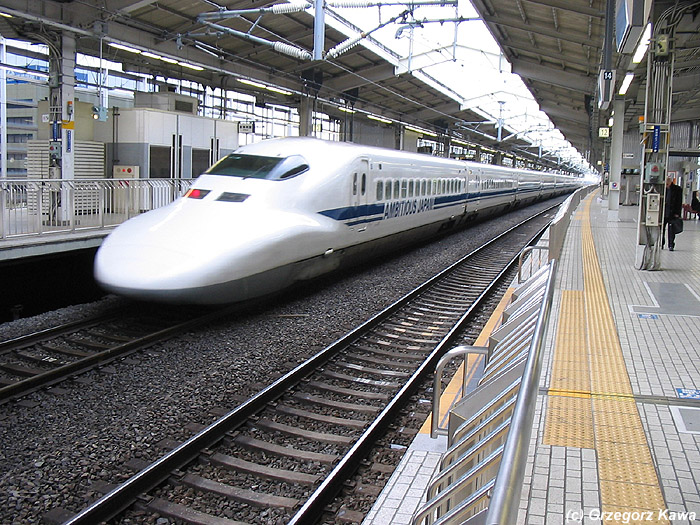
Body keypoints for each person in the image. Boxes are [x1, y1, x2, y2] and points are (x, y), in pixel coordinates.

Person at [663, 177, 683, 251]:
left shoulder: (677, 189)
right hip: (664, 213)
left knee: (671, 230)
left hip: (672, 212)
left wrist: (678, 213)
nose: (666, 185)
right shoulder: (663, 189)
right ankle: (661, 243)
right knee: (662, 229)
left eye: (667, 183)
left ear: (671, 182)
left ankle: (671, 245)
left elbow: (679, 202)